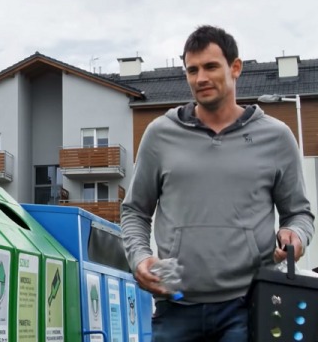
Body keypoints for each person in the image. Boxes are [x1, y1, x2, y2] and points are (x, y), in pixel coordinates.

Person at [121, 25, 315, 341]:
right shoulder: (159, 135)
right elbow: (134, 212)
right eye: (192, 70)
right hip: (175, 307)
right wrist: (140, 258)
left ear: (235, 68)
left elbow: (299, 214)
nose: (200, 78)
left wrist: (295, 236)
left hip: (249, 304)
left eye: (211, 67)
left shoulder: (277, 137)